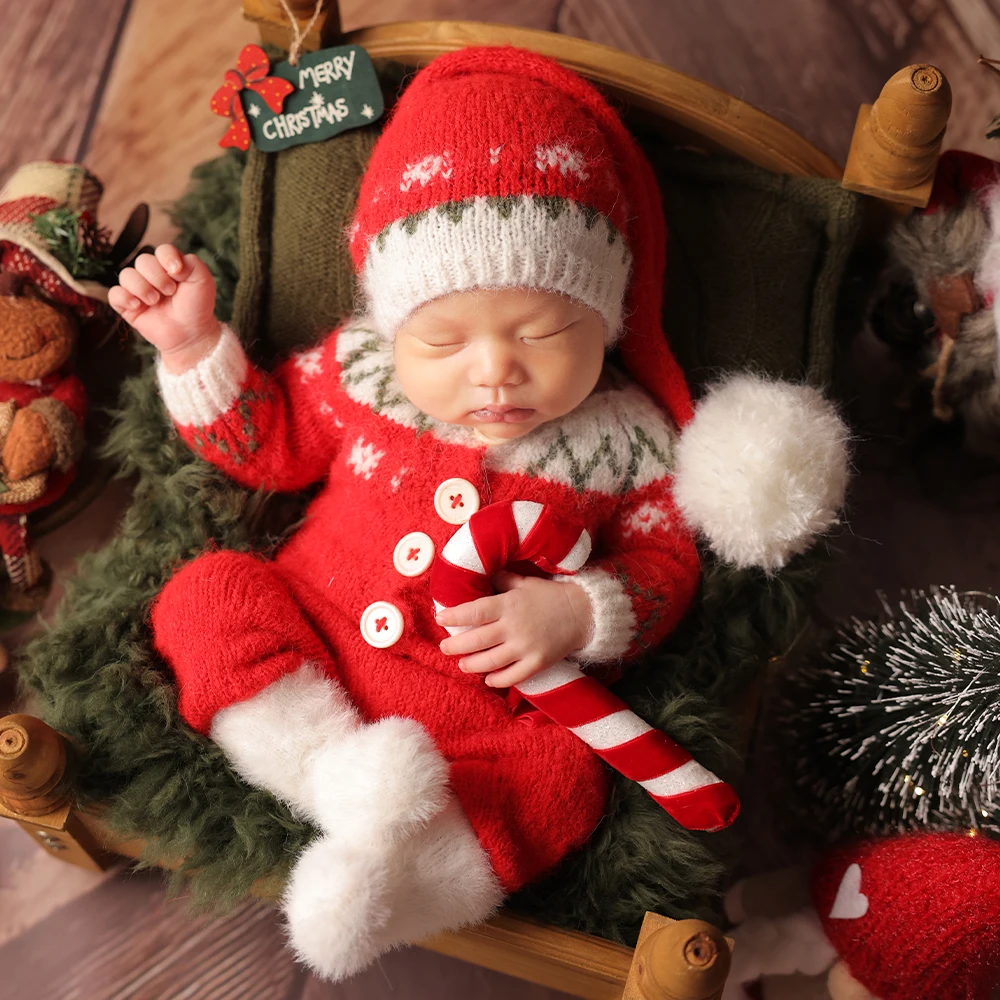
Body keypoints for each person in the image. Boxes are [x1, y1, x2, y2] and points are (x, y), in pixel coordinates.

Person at [108, 45, 848, 980]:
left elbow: (665, 572)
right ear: (390, 318)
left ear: (610, 316)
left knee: (567, 781)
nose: (494, 369)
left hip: (475, 714)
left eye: (543, 332)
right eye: (445, 339)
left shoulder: (634, 445)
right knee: (208, 595)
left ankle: (414, 876)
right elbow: (270, 442)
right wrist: (192, 348)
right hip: (315, 647)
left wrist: (579, 612)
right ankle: (337, 788)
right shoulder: (361, 373)